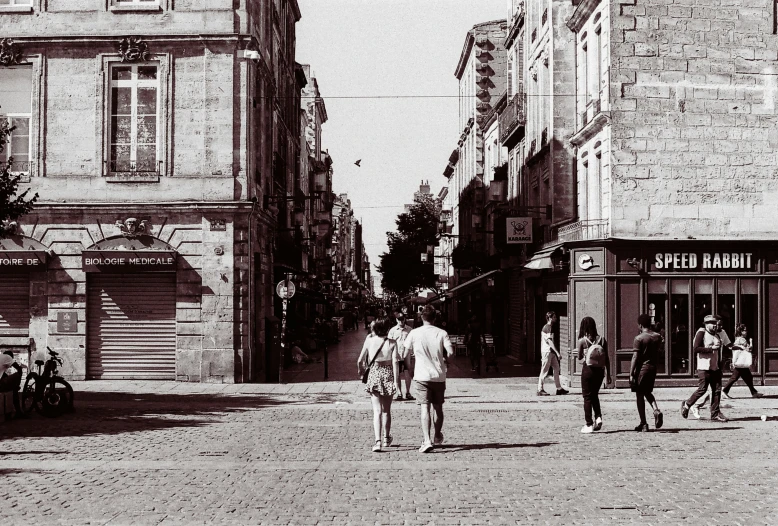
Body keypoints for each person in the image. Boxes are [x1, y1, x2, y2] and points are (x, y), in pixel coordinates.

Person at [403, 305, 453, 453]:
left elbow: (405, 354)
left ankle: (426, 440)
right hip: (438, 376)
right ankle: (437, 435)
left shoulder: (414, 333)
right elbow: (450, 352)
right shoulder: (442, 333)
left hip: (421, 376)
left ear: (421, 317)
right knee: (438, 408)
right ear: (435, 318)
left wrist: (409, 368)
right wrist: (446, 362)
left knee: (424, 407)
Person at [357, 317, 400, 452]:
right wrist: (396, 382)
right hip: (388, 374)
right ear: (387, 329)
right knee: (386, 410)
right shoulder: (392, 343)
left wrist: (361, 371)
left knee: (377, 411)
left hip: (374, 373)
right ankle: (387, 438)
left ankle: (377, 441)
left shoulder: (369, 341)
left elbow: (359, 360)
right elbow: (395, 364)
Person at [681, 314, 729, 423]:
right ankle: (687, 404)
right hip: (704, 366)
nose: (715, 326)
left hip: (715, 367)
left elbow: (725, 346)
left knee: (717, 390)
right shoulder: (701, 332)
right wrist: (710, 348)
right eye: (713, 324)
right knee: (702, 389)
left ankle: (715, 414)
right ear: (707, 324)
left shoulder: (718, 334)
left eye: (716, 323)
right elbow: (696, 348)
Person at [576, 317, 611, 433]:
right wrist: (608, 375)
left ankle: (589, 424)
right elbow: (607, 359)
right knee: (595, 394)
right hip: (600, 371)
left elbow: (580, 357)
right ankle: (598, 417)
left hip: (588, 370)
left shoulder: (583, 341)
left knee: (587, 397)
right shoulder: (602, 340)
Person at [631, 314, 664, 432]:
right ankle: (656, 410)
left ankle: (643, 423)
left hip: (642, 369)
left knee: (639, 395)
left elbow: (635, 356)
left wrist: (631, 373)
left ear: (640, 325)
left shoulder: (639, 338)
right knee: (647, 391)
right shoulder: (657, 337)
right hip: (653, 367)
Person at [723, 323, 763, 399]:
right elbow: (749, 349)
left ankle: (754, 392)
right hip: (741, 362)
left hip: (740, 362)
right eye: (745, 330)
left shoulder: (738, 339)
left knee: (748, 377)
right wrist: (751, 341)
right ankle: (724, 391)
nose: (746, 332)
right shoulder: (742, 339)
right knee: (735, 378)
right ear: (740, 331)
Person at [537, 311, 568, 396]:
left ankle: (559, 388)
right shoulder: (547, 327)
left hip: (551, 352)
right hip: (547, 352)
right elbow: (549, 341)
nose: (556, 319)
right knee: (544, 371)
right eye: (554, 317)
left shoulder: (550, 327)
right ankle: (540, 389)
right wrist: (558, 353)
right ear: (550, 318)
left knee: (556, 368)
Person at [389, 313, 414, 401]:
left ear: (404, 319)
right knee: (397, 375)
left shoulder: (410, 330)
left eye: (402, 319)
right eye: (399, 319)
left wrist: (413, 353)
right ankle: (399, 393)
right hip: (396, 356)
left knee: (407, 374)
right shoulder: (392, 330)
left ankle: (408, 392)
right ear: (396, 320)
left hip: (407, 355)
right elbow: (389, 344)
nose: (401, 321)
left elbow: (413, 342)